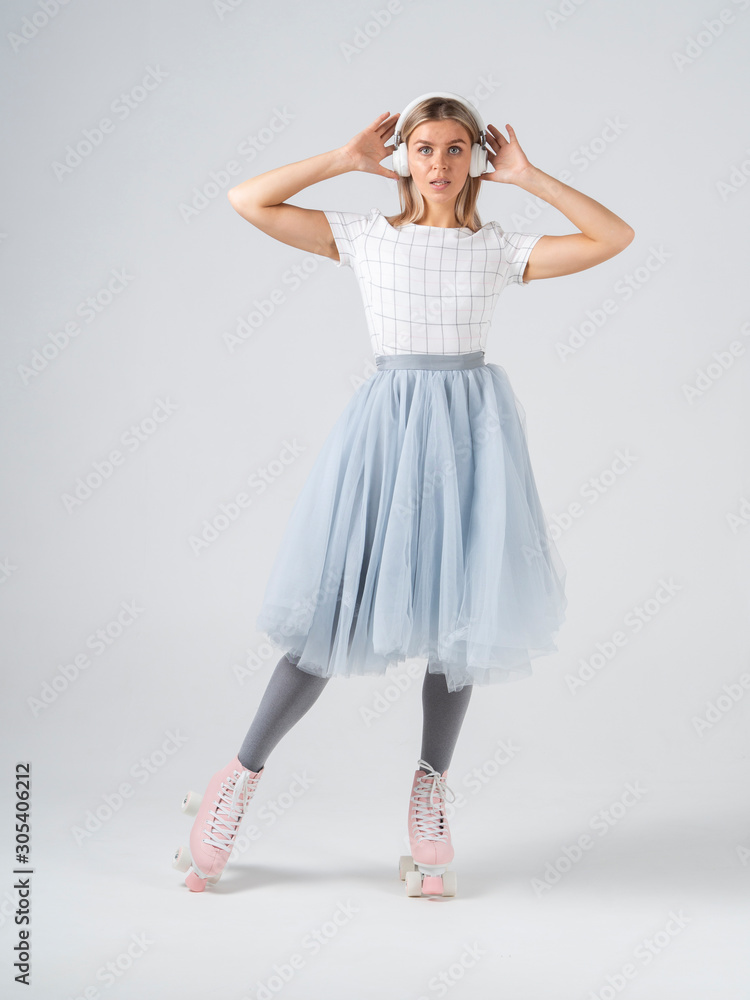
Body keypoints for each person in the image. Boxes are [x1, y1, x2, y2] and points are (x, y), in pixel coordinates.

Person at [172, 92, 634, 896]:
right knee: (331, 617)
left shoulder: (496, 248)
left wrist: (530, 177)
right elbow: (249, 200)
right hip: (387, 437)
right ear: (405, 157)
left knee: (459, 622)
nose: (441, 164)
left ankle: (429, 791)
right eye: (425, 148)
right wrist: (343, 161)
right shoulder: (366, 240)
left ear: (475, 160)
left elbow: (614, 237)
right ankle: (237, 779)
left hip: (469, 442)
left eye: (457, 149)